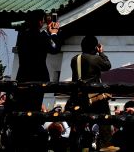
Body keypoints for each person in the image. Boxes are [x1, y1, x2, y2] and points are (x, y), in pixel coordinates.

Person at [12, 10, 62, 152]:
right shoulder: (42, 37)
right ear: (40, 22)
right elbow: (54, 49)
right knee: (33, 110)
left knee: (22, 110)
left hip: (22, 78)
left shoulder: (22, 36)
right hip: (38, 79)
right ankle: (32, 138)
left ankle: (20, 140)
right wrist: (53, 33)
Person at [68, 34, 113, 152]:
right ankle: (105, 145)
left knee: (80, 124)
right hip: (94, 97)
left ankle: (78, 146)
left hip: (79, 97)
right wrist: (101, 53)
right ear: (95, 47)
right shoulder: (95, 58)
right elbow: (107, 65)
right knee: (105, 119)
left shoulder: (75, 59)